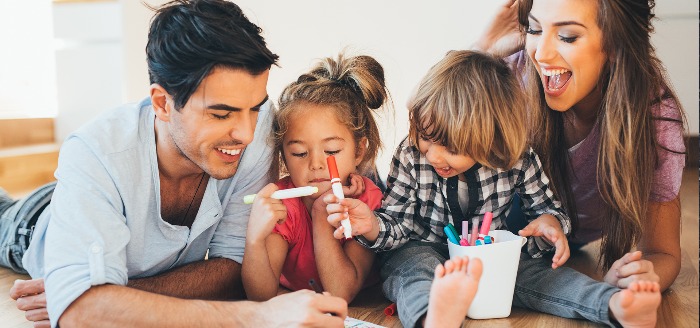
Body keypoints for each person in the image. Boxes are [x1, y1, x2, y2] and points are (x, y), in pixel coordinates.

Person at [1, 1, 347, 327]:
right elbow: (81, 316)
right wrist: (259, 317)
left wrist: (109, 299)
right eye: (220, 113)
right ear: (163, 104)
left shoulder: (254, 132)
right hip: (33, 223)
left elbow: (233, 266)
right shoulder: (96, 152)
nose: (245, 133)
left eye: (254, 108)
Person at [323, 50, 662, 328]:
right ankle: (433, 317)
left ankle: (615, 305)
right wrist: (373, 225)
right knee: (411, 271)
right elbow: (396, 224)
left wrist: (550, 226)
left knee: (546, 277)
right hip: (422, 249)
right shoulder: (411, 155)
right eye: (425, 137)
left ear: (491, 140)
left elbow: (547, 213)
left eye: (451, 148)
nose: (433, 154)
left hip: (489, 255)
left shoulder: (517, 159)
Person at [474, 0, 686, 294]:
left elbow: (663, 253)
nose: (541, 53)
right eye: (534, 29)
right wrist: (481, 48)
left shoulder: (653, 120)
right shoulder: (517, 75)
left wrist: (639, 279)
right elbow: (424, 116)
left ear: (615, 43)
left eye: (567, 36)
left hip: (568, 239)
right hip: (490, 222)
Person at [241, 53, 387, 302]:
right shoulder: (284, 205)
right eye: (299, 153)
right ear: (284, 157)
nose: (316, 164)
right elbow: (260, 295)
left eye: (331, 151)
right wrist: (255, 239)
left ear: (358, 151)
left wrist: (321, 213)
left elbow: (341, 292)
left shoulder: (367, 199)